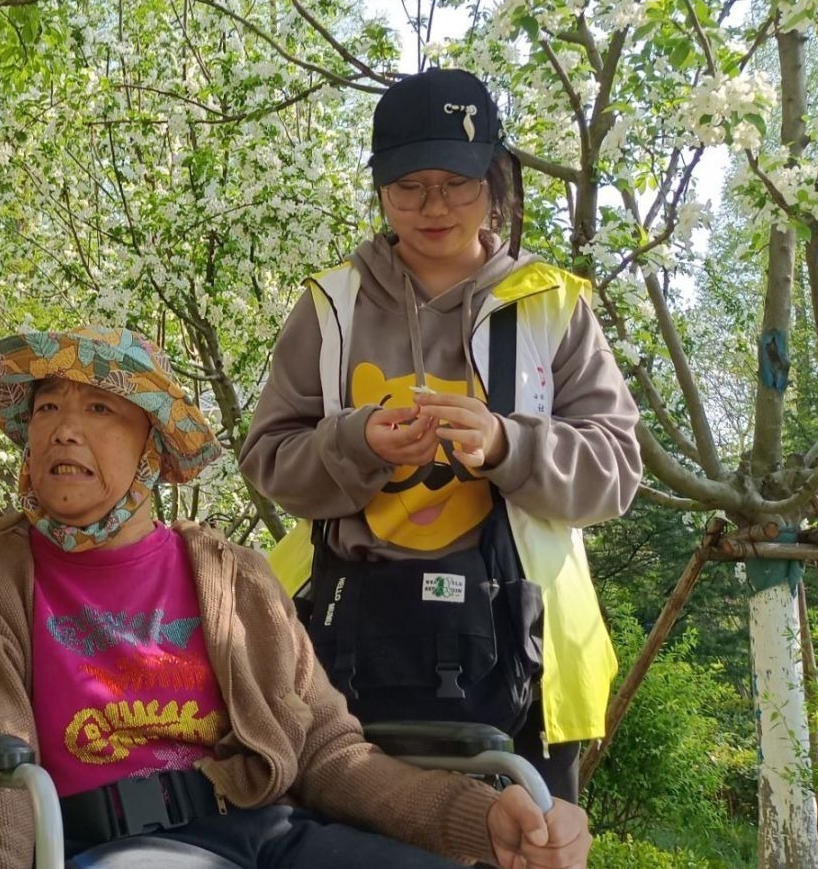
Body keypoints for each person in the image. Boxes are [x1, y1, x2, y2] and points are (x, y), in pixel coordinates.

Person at [0, 325, 591, 869]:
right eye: (47, 407)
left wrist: (482, 817)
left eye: (101, 407)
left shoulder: (232, 575)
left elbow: (330, 751)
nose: (65, 428)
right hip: (118, 848)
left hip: (270, 832)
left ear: (154, 444)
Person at [239, 68, 641, 803]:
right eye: (409, 186)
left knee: (521, 863)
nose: (434, 207)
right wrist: (356, 443)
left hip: (525, 658)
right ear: (379, 189)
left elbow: (615, 471)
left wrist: (507, 446)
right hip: (342, 651)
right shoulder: (330, 307)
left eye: (457, 183)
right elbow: (268, 460)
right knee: (351, 864)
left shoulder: (552, 306)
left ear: (494, 183)